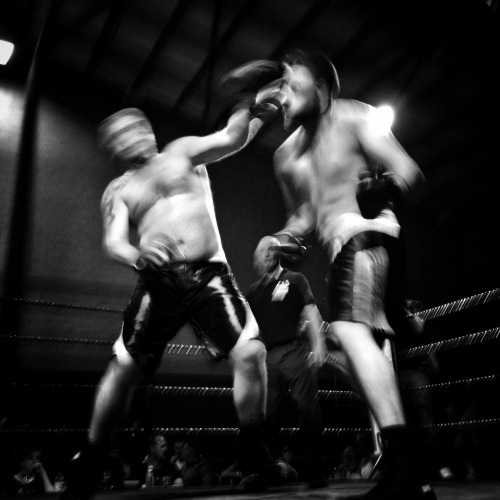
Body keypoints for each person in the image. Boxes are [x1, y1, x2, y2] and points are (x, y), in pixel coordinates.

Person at [63, 63, 284, 499]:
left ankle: (256, 449)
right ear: (114, 145)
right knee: (123, 367)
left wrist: (242, 100)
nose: (137, 134)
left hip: (208, 274)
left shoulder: (181, 152)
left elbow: (232, 138)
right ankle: (92, 457)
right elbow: (113, 241)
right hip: (157, 281)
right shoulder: (120, 188)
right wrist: (138, 254)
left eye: (140, 125)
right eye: (125, 132)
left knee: (251, 352)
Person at [265, 49, 435, 499]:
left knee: (344, 329)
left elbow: (410, 172)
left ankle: (403, 461)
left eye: (289, 81)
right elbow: (302, 217)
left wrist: (384, 185)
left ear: (320, 88)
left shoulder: (354, 116)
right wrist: (280, 239)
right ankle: (411, 469)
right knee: (343, 345)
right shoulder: (285, 156)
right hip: (344, 250)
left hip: (372, 233)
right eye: (278, 84)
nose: (280, 92)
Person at [246, 235, 327, 486]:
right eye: (262, 251)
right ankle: (269, 472)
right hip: (268, 358)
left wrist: (319, 344)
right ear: (256, 258)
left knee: (308, 409)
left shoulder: (295, 279)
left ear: (279, 252)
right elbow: (250, 329)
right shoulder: (254, 291)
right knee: (268, 416)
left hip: (295, 352)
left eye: (271, 248)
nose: (267, 254)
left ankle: (315, 471)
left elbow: (311, 313)